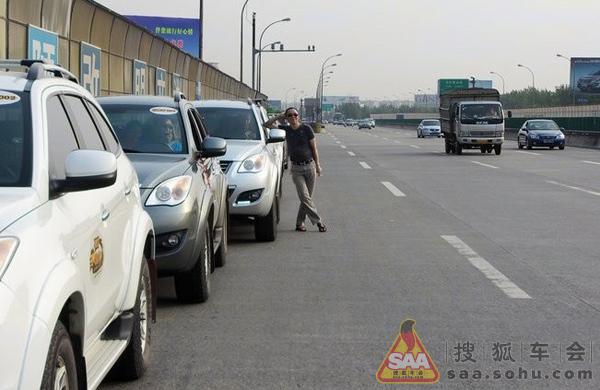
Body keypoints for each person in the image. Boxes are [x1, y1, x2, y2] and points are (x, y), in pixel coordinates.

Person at [264, 107, 327, 232]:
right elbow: (266, 124)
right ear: (287, 117)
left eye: (295, 114)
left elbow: (314, 149)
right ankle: (318, 221)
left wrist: (318, 165)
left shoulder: (306, 129)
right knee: (304, 196)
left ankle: (300, 223)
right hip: (297, 169)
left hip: (310, 166)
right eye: (290, 115)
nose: (293, 117)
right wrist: (279, 116)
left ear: (298, 116)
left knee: (307, 198)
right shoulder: (285, 130)